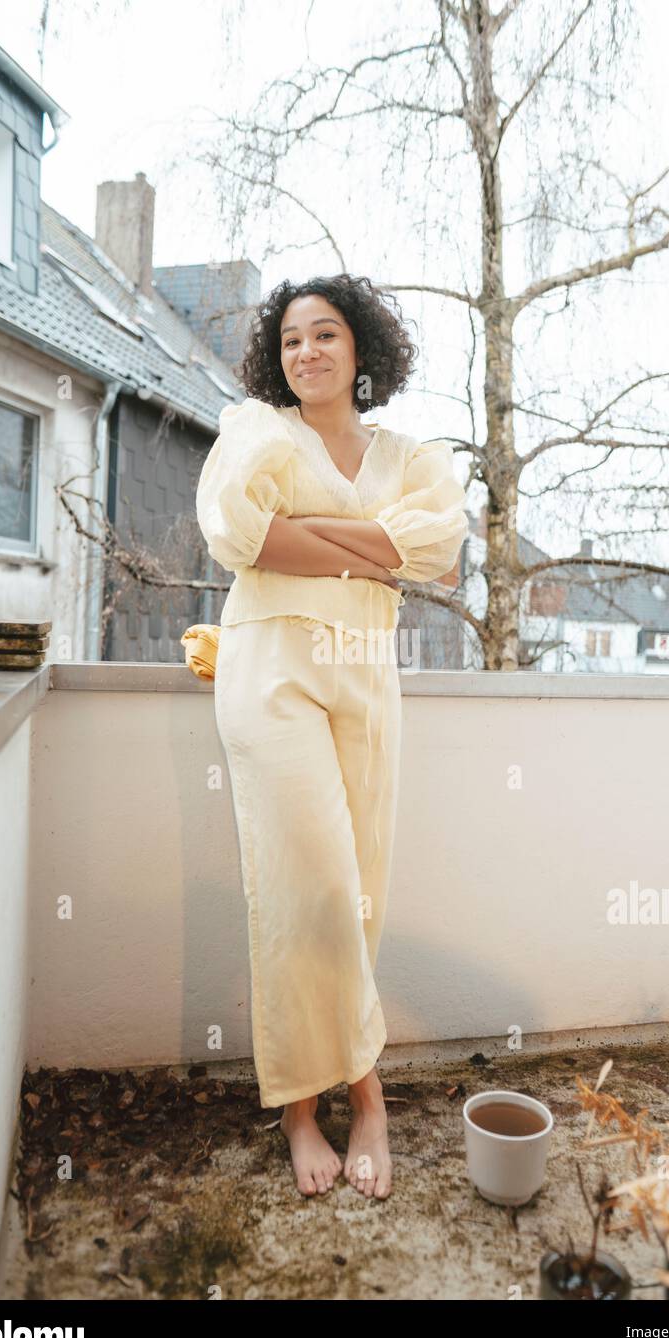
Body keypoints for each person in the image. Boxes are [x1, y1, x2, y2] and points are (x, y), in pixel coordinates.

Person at [195, 273, 468, 1199]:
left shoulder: (411, 456)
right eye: (290, 341)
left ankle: (344, 1080)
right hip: (270, 666)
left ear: (361, 351)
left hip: (365, 670)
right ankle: (329, 1099)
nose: (305, 353)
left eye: (324, 336)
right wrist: (369, 546)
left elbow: (437, 550)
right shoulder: (258, 432)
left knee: (359, 887)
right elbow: (239, 534)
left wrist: (308, 531)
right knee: (302, 882)